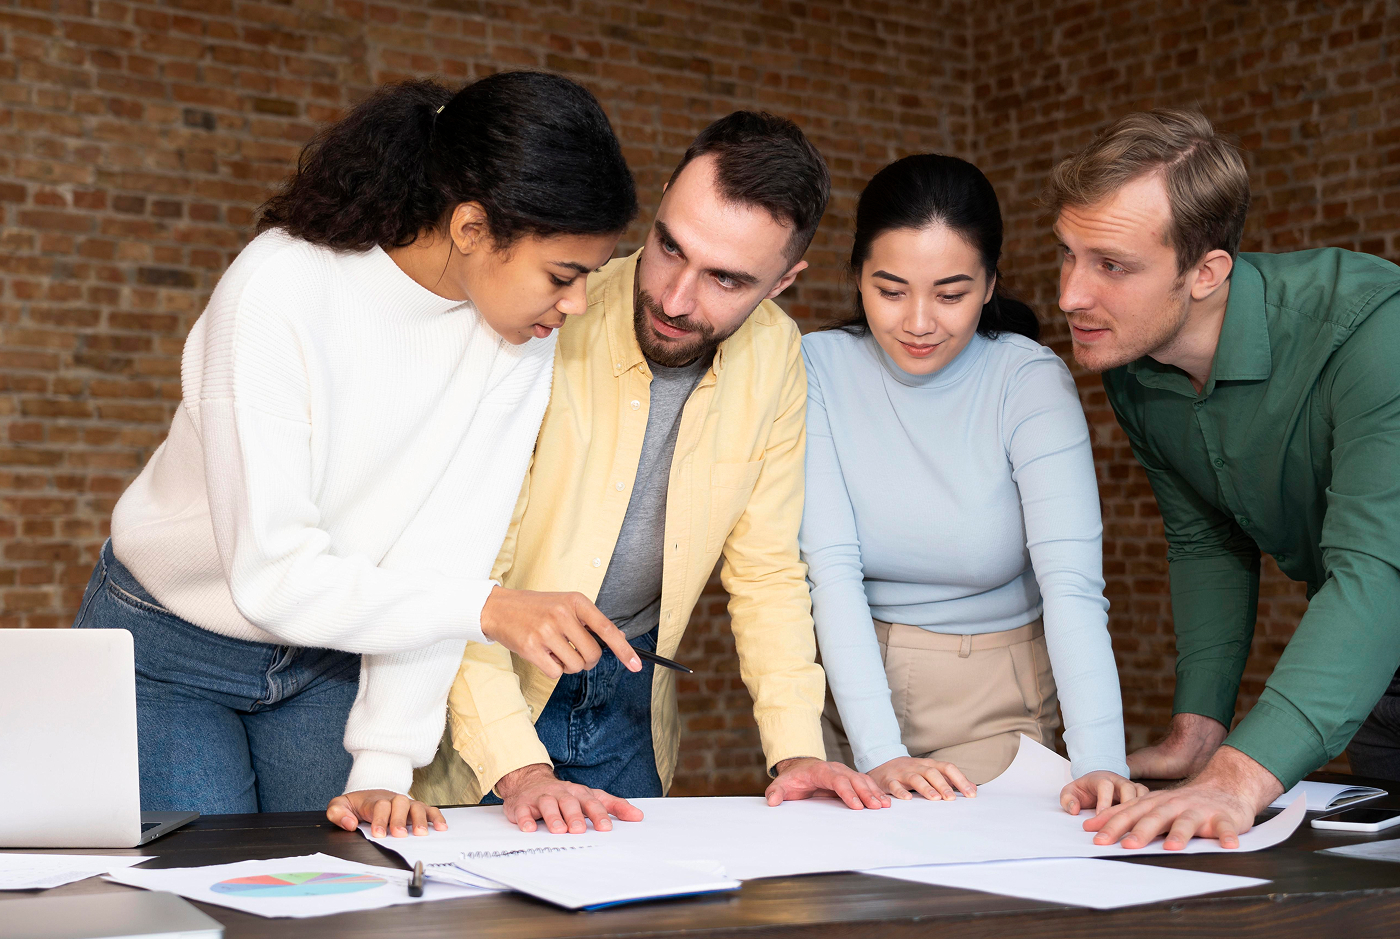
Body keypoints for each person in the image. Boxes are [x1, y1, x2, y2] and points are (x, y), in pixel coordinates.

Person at [75, 73, 644, 833]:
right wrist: (487, 609)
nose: (576, 304)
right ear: (471, 227)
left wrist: (383, 765)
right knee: (207, 888)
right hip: (169, 651)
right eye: (562, 276)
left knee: (341, 878)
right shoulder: (279, 290)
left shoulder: (520, 334)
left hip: (331, 656)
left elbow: (444, 552)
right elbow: (272, 576)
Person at [391, 111, 890, 835]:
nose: (676, 299)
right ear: (657, 209)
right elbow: (462, 569)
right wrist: (519, 770)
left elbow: (767, 573)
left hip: (632, 702)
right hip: (484, 692)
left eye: (725, 279)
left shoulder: (778, 354)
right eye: (669, 247)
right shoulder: (542, 316)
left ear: (784, 281)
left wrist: (796, 753)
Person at [1050, 108, 1400, 850]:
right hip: (1377, 678)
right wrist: (1201, 731)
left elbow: (1378, 570)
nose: (1070, 296)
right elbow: (1206, 539)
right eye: (1068, 255)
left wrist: (1239, 777)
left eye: (1111, 265)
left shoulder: (1377, 331)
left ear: (1206, 272)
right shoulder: (1135, 364)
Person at [800, 154, 1140, 817]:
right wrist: (879, 752)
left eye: (950, 294)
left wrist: (1102, 761)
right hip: (846, 693)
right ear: (857, 276)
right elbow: (830, 570)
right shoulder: (815, 366)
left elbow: (1071, 586)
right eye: (890, 291)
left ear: (989, 286)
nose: (919, 322)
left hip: (997, 704)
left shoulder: (1027, 380)